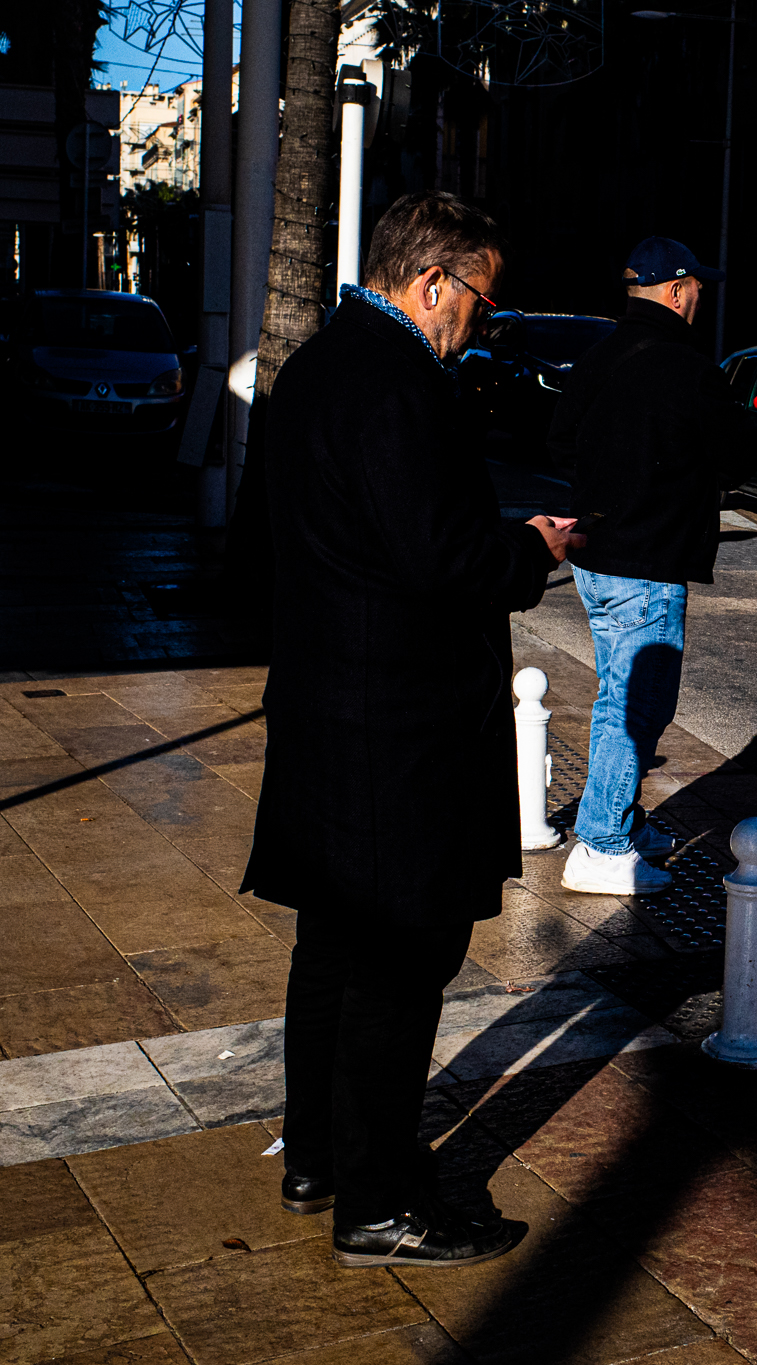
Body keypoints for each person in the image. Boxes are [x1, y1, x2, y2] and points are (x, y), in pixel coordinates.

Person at [243, 192, 583, 1268]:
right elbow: (441, 561)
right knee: (399, 962)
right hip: (398, 729)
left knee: (332, 950)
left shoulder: (313, 369)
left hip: (326, 707)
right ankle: (379, 1202)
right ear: (432, 281)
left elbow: (333, 534)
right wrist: (532, 551)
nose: (480, 319)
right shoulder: (402, 385)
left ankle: (319, 1158)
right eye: (479, 296)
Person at [547, 237, 756, 895]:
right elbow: (737, 461)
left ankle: (621, 821)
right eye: (696, 286)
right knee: (636, 702)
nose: (701, 297)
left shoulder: (600, 355)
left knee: (620, 689)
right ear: (675, 289)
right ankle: (601, 845)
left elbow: (557, 441)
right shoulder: (689, 368)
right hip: (647, 563)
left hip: (595, 557)